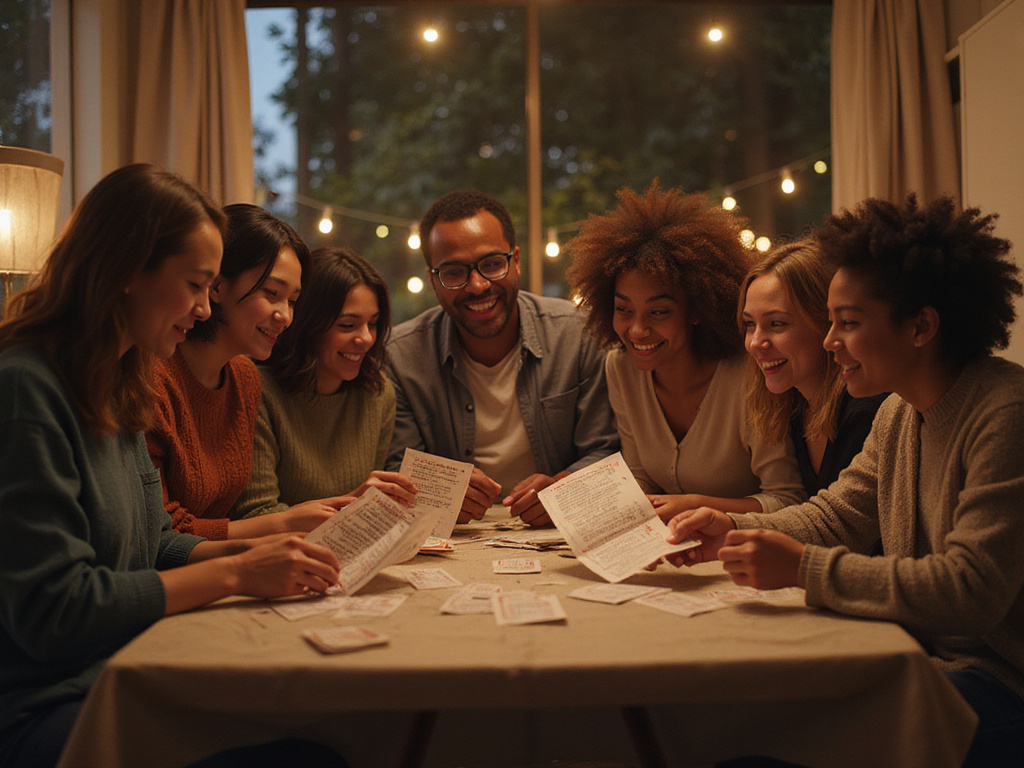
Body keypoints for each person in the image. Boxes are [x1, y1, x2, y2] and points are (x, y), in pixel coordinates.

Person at [0, 164, 344, 768]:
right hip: (45, 708)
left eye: (211, 288)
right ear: (128, 269)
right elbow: (56, 610)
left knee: (337, 724)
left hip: (125, 669)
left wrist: (270, 554)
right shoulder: (27, 391)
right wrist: (237, 575)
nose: (205, 307)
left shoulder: (119, 381)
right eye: (196, 284)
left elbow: (158, 540)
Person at [666, 194, 1024, 766]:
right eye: (829, 323)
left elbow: (970, 591)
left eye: (848, 324)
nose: (831, 342)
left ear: (921, 326)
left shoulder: (1005, 413)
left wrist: (803, 567)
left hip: (1003, 688)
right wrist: (728, 528)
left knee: (754, 748)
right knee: (731, 725)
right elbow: (836, 516)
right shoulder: (900, 412)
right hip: (923, 659)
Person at [566, 181, 805, 519]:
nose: (636, 330)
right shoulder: (620, 367)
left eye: (658, 312)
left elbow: (786, 499)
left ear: (697, 310)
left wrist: (697, 505)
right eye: (624, 310)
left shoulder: (749, 371)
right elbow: (642, 476)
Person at [386, 190, 619, 527]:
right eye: (453, 272)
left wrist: (564, 486)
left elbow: (610, 449)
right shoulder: (401, 357)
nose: (478, 285)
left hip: (562, 534)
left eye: (492, 264)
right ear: (432, 280)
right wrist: (441, 492)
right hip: (453, 540)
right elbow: (398, 469)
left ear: (517, 260)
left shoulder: (579, 334)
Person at [147, 204, 350, 539]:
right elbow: (162, 533)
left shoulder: (243, 377)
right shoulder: (156, 377)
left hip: (219, 568)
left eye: (292, 301)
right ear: (216, 285)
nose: (284, 315)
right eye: (271, 293)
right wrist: (286, 523)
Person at [233, 246, 415, 517]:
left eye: (373, 324)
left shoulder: (378, 393)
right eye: (347, 325)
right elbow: (257, 514)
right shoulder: (258, 390)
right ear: (308, 324)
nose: (365, 338)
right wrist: (351, 504)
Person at [738, 240, 886, 496]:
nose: (755, 343)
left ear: (825, 323)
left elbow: (843, 527)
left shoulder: (867, 411)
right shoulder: (793, 407)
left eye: (776, 324)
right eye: (750, 324)